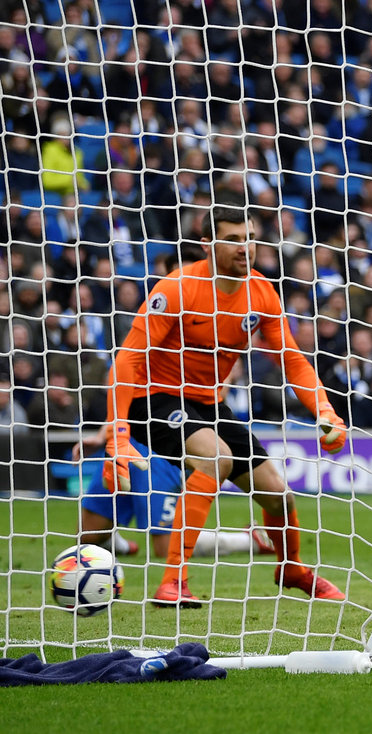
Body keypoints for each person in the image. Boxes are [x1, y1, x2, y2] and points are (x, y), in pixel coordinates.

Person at [102, 204, 349, 607]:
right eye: (233, 239)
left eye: (249, 238)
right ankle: (173, 582)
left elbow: (291, 360)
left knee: (279, 495)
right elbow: (128, 359)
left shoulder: (261, 292)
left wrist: (324, 409)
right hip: (153, 399)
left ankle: (292, 569)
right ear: (207, 244)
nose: (244, 247)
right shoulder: (177, 288)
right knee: (216, 457)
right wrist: (118, 433)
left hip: (208, 403)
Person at [76, 433, 271, 559]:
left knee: (167, 547)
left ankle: (249, 540)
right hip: (124, 440)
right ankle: (122, 547)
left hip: (161, 441)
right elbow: (120, 392)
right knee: (88, 535)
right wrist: (103, 434)